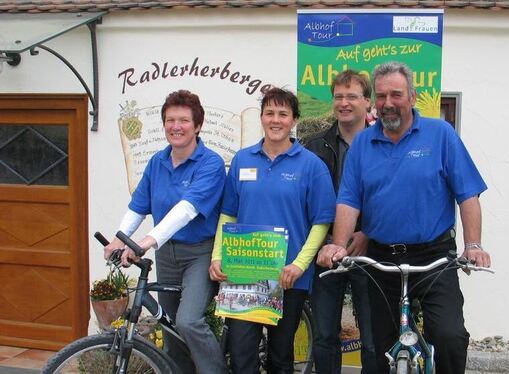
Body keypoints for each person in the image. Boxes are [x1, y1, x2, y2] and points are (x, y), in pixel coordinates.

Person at [317, 61, 491, 374]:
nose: (388, 103)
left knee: (449, 336)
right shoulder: (362, 146)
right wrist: (339, 245)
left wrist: (474, 245)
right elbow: (348, 200)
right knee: (381, 346)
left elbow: (468, 194)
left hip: (435, 258)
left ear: (412, 97)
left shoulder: (440, 135)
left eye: (396, 94)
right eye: (381, 96)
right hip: (381, 259)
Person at [209, 87, 336, 374]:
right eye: (269, 113)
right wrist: (218, 256)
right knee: (241, 356)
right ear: (262, 118)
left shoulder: (312, 166)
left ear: (294, 120)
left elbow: (321, 222)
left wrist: (299, 265)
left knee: (280, 356)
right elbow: (228, 213)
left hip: (288, 277)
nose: (275, 120)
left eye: (283, 114)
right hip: (243, 274)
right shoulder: (242, 160)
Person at [103, 89, 227, 373]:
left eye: (184, 120)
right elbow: (138, 207)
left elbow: (186, 210)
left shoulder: (210, 164)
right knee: (168, 325)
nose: (176, 126)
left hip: (200, 253)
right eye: (170, 120)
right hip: (167, 256)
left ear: (198, 125)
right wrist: (118, 239)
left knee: (187, 320)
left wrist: (145, 242)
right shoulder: (157, 162)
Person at [303, 70, 376, 374]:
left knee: (373, 338)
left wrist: (367, 234)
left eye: (352, 96)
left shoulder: (382, 142)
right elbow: (304, 199)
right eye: (339, 97)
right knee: (324, 335)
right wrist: (328, 240)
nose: (344, 103)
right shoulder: (313, 145)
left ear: (367, 101)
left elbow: (392, 197)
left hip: (370, 251)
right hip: (325, 252)